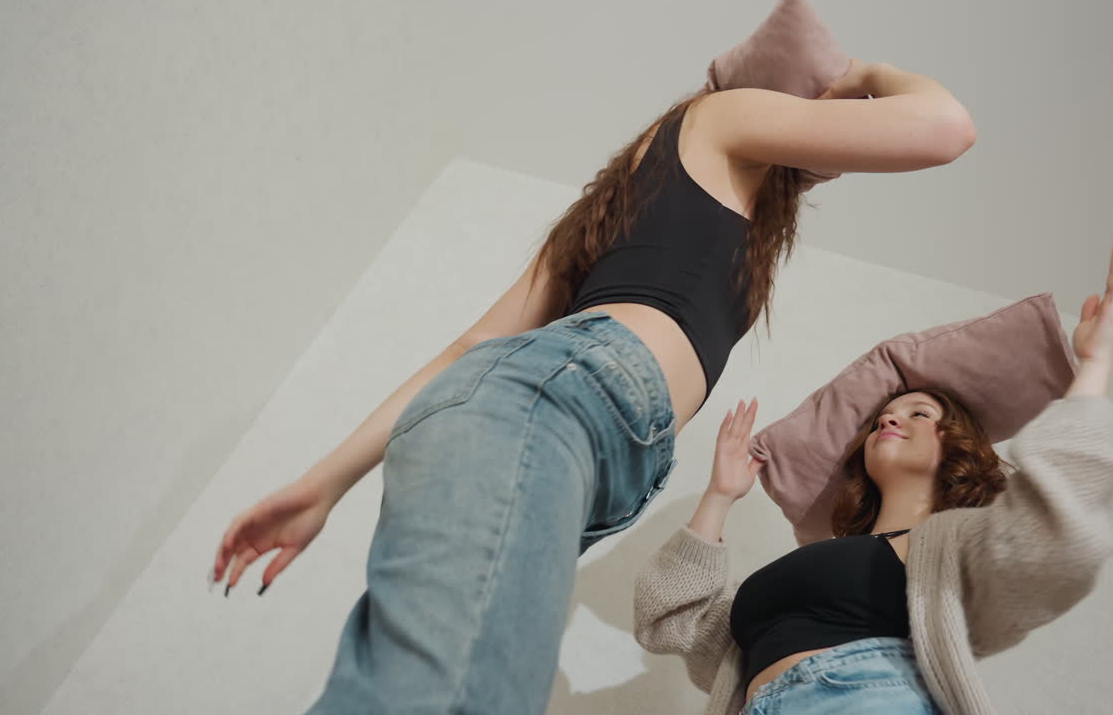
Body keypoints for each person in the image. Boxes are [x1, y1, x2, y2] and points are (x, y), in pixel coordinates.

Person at [209, 52, 976, 714]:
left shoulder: (615, 217)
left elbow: (469, 350)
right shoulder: (717, 117)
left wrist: (325, 483)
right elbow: (945, 126)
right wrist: (865, 76)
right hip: (548, 405)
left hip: (521, 411)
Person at [633, 240, 1113, 714]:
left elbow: (1056, 537)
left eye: (918, 413)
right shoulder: (806, 562)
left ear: (958, 445)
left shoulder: (958, 546)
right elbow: (669, 619)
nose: (891, 419)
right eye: (881, 419)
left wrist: (1094, 365)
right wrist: (720, 495)